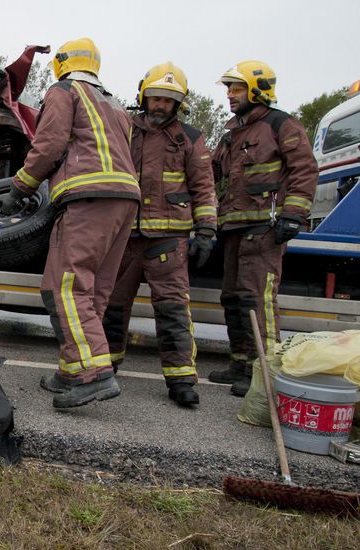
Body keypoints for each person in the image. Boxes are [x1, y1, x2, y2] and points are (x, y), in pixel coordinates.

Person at [1, 38, 139, 409]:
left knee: (64, 287)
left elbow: (49, 144)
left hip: (87, 197)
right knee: (92, 292)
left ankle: (94, 375)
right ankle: (71, 369)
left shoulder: (65, 90)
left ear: (62, 63)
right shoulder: (114, 103)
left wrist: (22, 185)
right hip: (124, 200)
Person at [97, 63, 217, 407]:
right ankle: (105, 368)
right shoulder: (124, 128)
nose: (161, 104)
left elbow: (204, 187)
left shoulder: (190, 138)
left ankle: (181, 381)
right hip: (124, 236)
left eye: (168, 99)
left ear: (178, 103)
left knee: (173, 310)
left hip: (169, 237)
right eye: (156, 97)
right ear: (143, 96)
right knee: (111, 307)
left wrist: (206, 228)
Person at [206, 61, 318, 397]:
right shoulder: (232, 135)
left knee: (258, 301)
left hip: (266, 228)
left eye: (236, 88)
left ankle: (264, 373)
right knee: (233, 298)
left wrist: (294, 214)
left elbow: (304, 168)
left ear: (257, 90)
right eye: (228, 88)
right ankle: (240, 363)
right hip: (234, 228)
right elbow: (208, 173)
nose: (229, 95)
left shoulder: (280, 124)